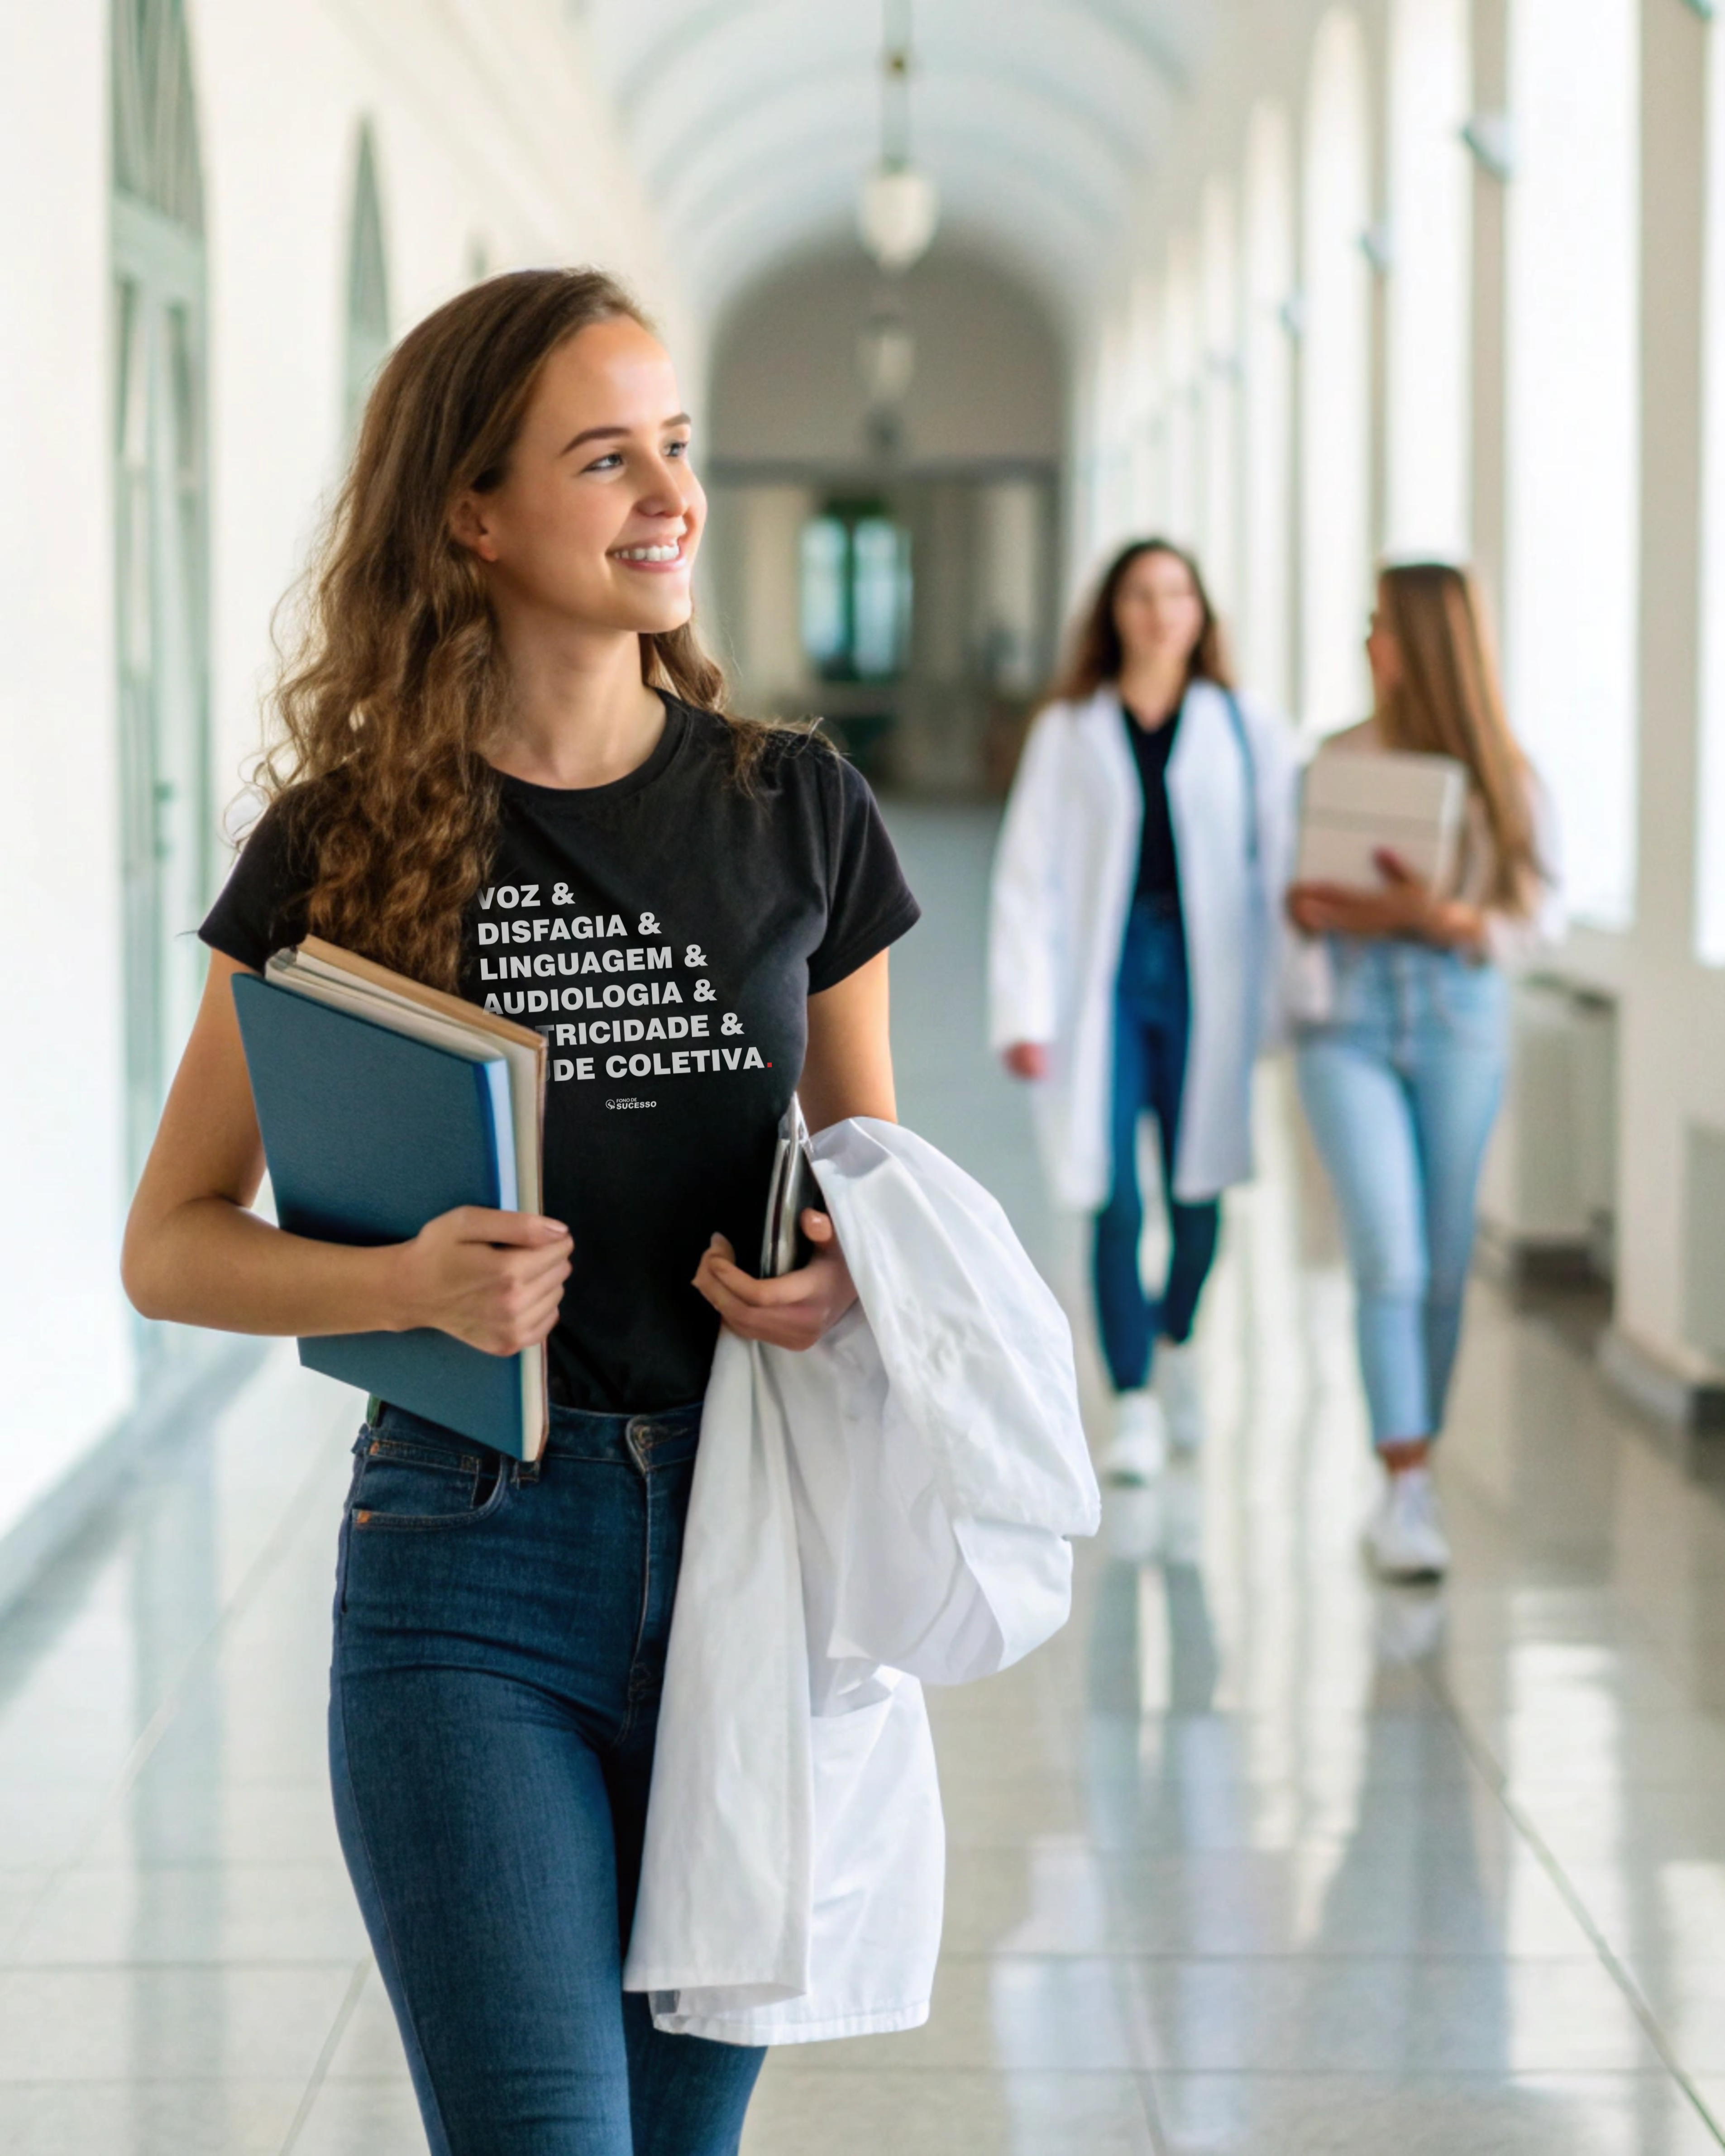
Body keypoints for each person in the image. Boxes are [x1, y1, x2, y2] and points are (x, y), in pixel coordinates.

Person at [120, 268, 921, 2156]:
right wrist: (399, 1277)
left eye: (678, 446)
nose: (670, 493)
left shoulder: (793, 810)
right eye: (606, 456)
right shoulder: (340, 840)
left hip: (752, 1551)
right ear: (471, 516)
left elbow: (881, 1194)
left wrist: (838, 1284)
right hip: (466, 1563)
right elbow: (171, 1239)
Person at [989, 539, 1293, 1483]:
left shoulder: (1246, 726)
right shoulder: (1071, 727)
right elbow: (1027, 873)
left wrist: (1289, 999)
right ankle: (1129, 1400)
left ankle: (1177, 1342)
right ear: (1113, 613)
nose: (1160, 613)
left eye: (1176, 594)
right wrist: (1024, 1012)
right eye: (1140, 595)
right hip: (1106, 980)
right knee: (1114, 1194)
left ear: (1201, 613)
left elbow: (1278, 870)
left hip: (1209, 978)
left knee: (1198, 1194)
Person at [1287, 562, 1562, 1583]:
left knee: (1444, 1266)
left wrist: (1440, 915)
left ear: (1424, 642)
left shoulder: (1505, 774)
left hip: (1459, 1023)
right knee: (1390, 1256)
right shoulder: (1331, 762)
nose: (1368, 643)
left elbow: (1538, 918)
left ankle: (1418, 1468)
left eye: (1380, 626)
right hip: (1346, 1029)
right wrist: (1315, 905)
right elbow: (1283, 892)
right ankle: (1402, 1485)